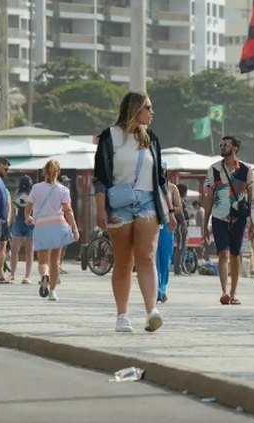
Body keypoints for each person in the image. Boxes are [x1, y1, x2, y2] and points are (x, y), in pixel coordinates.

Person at [93, 91, 175, 333]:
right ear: (135, 109)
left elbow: (160, 178)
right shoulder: (111, 137)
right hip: (120, 202)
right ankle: (122, 315)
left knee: (147, 257)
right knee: (124, 261)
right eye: (148, 108)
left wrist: (169, 209)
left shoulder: (151, 138)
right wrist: (100, 209)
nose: (152, 113)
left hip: (148, 201)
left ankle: (152, 311)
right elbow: (100, 177)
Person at [203, 136, 253, 305]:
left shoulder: (246, 169)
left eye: (226, 144)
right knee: (223, 253)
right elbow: (209, 197)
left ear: (235, 148)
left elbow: (252, 197)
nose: (222, 147)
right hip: (219, 216)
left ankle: (233, 292)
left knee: (235, 253)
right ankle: (224, 291)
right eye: (221, 144)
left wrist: (253, 222)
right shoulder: (214, 169)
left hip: (239, 217)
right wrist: (205, 223)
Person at [25, 160, 79, 300]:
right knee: (55, 261)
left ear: (44, 171)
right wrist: (74, 228)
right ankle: (52, 292)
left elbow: (28, 207)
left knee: (43, 261)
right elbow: (68, 210)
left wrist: (27, 217)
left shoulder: (36, 188)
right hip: (58, 225)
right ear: (58, 172)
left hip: (41, 226)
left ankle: (44, 276)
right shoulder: (63, 190)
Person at [156, 170, 181, 303]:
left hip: (166, 225)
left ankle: (162, 288)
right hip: (153, 223)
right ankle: (157, 291)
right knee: (153, 259)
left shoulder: (172, 188)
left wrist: (167, 208)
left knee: (165, 259)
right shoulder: (150, 186)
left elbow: (179, 208)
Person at [9, 175, 35, 283]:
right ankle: (14, 274)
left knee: (23, 250)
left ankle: (25, 275)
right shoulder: (18, 191)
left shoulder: (32, 192)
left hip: (26, 220)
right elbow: (13, 204)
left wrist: (13, 216)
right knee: (20, 250)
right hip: (25, 220)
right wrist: (13, 214)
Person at [172, 183, 190, 275]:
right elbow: (179, 214)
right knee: (180, 247)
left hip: (184, 225)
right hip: (180, 225)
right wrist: (183, 221)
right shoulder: (179, 201)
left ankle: (182, 267)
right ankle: (178, 268)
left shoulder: (183, 201)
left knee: (183, 247)